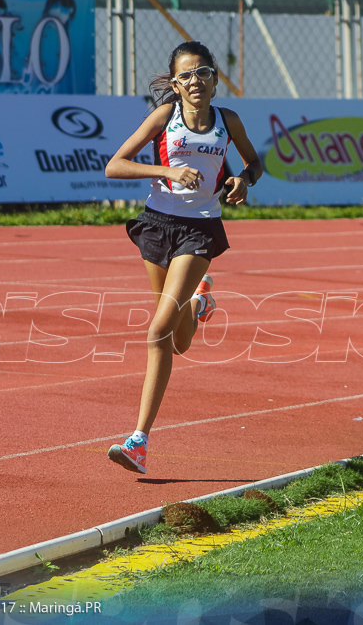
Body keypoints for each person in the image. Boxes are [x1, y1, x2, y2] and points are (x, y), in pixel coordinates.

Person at [104, 41, 263, 474]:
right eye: (186, 76)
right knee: (179, 339)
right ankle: (198, 302)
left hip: (200, 230)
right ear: (175, 83)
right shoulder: (164, 118)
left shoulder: (227, 122)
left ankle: (138, 441)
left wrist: (244, 180)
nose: (196, 82)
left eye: (203, 73)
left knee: (156, 331)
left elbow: (254, 163)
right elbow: (114, 166)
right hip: (157, 225)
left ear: (215, 79)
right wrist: (167, 171)